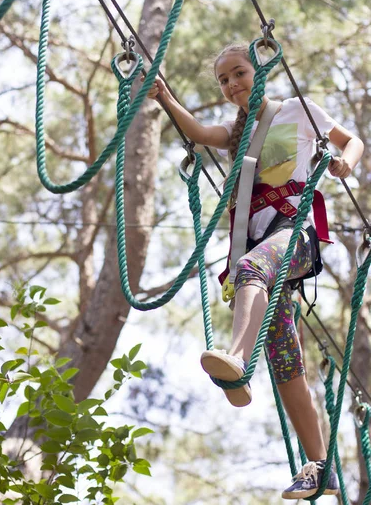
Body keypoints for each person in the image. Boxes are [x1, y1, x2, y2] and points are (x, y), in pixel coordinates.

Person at [146, 42, 364, 500]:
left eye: (238, 73)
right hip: (263, 249)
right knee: (286, 364)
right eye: (223, 80)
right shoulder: (235, 132)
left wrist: (348, 162)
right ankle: (319, 466)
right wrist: (165, 99)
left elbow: (350, 140)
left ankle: (238, 361)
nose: (231, 85)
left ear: (258, 69)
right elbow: (201, 132)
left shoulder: (297, 112)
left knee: (249, 269)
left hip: (295, 234)